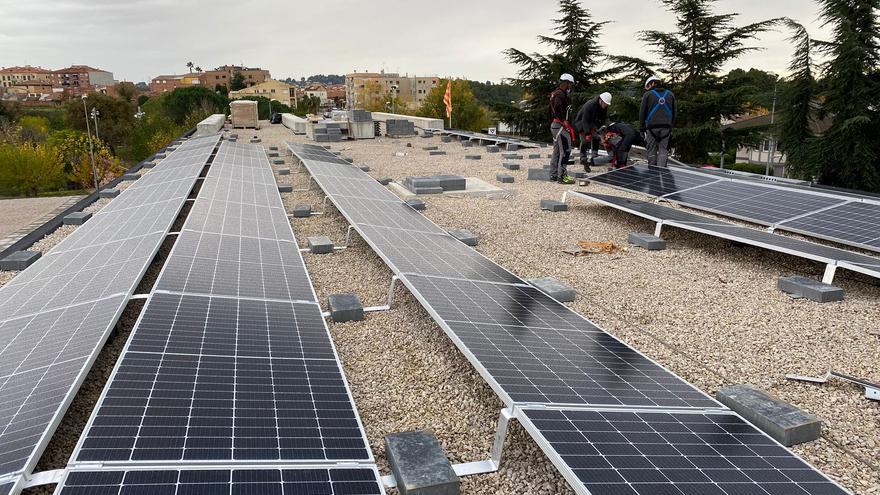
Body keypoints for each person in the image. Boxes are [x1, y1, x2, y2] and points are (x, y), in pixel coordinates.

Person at [639, 75, 676, 167]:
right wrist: (671, 126)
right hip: (666, 128)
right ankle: (661, 170)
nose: (647, 89)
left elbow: (642, 112)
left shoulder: (647, 95)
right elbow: (675, 112)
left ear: (652, 83)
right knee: (663, 150)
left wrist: (641, 128)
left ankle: (652, 172)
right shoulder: (670, 94)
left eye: (648, 86)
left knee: (651, 149)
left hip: (651, 128)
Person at [574, 92, 612, 172]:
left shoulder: (604, 106)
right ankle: (583, 158)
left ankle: (594, 156)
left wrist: (601, 129)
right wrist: (587, 133)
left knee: (596, 137)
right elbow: (585, 120)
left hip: (593, 122)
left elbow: (603, 119)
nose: (606, 106)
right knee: (584, 140)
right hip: (582, 122)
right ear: (601, 100)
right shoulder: (590, 105)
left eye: (607, 105)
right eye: (605, 104)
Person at [549, 73, 576, 184]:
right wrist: (563, 120)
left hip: (555, 126)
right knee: (565, 150)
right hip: (559, 126)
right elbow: (557, 108)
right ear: (566, 83)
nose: (571, 87)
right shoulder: (560, 95)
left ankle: (553, 174)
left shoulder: (555, 93)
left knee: (556, 151)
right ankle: (562, 176)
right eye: (570, 84)